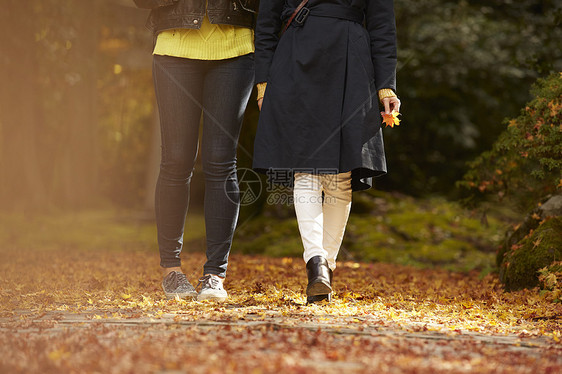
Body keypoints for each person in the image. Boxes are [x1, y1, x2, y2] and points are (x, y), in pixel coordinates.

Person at [253, 0, 400, 303]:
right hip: (296, 62)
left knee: (340, 173)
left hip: (351, 63)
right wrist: (264, 82)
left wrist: (387, 85)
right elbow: (266, 24)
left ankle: (322, 268)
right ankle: (318, 263)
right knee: (306, 168)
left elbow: (383, 25)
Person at [134, 0, 258, 301]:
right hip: (174, 47)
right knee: (176, 159)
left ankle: (215, 275)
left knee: (221, 160)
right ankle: (172, 271)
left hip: (235, 49)